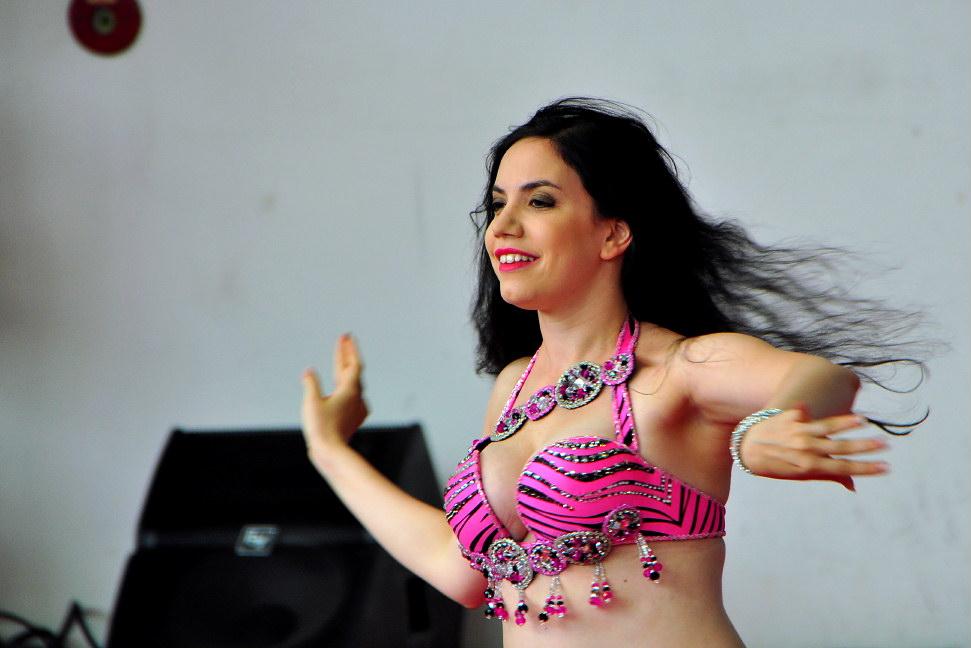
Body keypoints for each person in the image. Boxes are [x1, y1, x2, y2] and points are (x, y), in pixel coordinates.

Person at [300, 98, 925, 647]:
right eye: (496, 205)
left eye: (539, 201)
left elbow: (820, 377)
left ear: (613, 234)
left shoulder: (676, 368)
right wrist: (329, 449)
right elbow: (459, 569)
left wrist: (766, 428)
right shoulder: (514, 388)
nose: (502, 227)